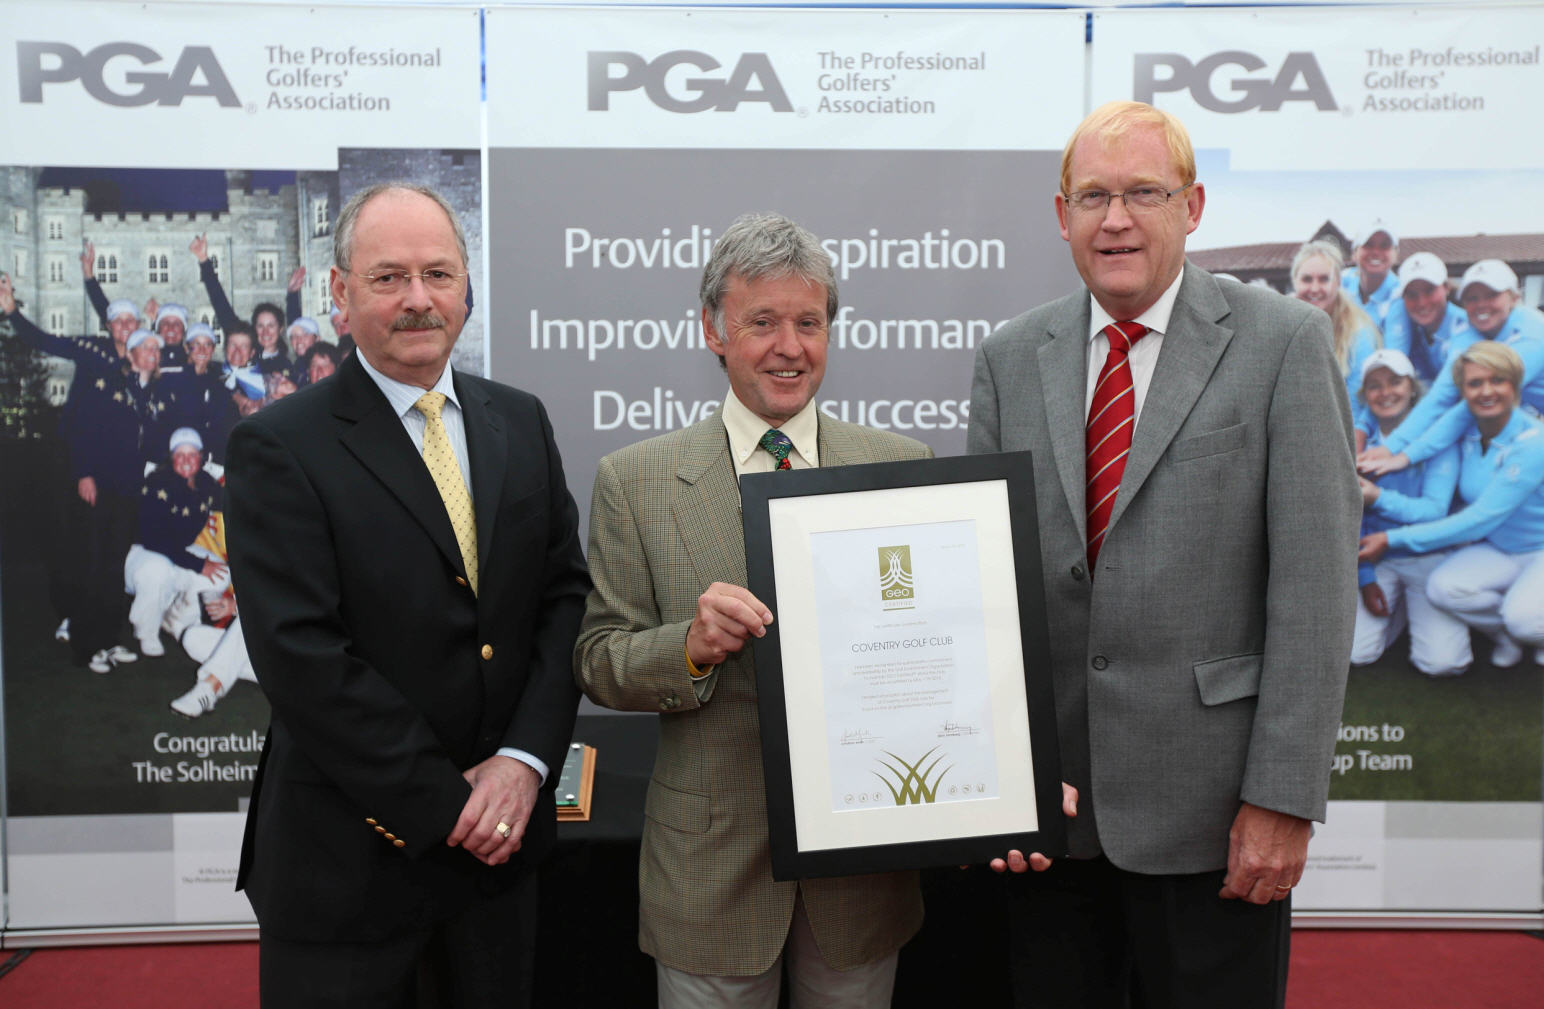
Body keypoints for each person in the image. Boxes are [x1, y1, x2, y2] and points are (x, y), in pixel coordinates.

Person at [965, 101, 1359, 1008]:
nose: (1116, 219)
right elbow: (986, 587)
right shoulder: (1010, 357)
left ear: (1193, 205)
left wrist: (1283, 798)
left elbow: (1315, 590)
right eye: (1093, 196)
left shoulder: (1284, 343)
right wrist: (1000, 775)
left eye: (1144, 192)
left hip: (1215, 820)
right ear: (1061, 214)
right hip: (1052, 818)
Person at [223, 181, 589, 1008]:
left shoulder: (520, 421)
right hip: (347, 877)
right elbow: (303, 658)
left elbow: (564, 598)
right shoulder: (278, 446)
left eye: (438, 273)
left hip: (500, 869)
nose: (418, 298)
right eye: (389, 277)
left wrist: (525, 764)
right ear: (340, 291)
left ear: (466, 287)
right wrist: (454, 805)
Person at [576, 212, 926, 1008]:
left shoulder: (901, 466)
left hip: (861, 872)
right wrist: (689, 647)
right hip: (709, 873)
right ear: (714, 330)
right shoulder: (635, 480)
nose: (788, 347)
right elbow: (598, 658)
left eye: (809, 322)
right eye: (762, 322)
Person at [1, 279, 173, 672]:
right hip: (98, 483)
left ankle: (108, 640)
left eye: (153, 348)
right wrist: (84, 474)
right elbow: (83, 429)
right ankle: (85, 644)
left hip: (127, 489)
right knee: (90, 561)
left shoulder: (147, 392)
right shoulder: (105, 379)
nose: (149, 352)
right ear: (116, 334)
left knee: (114, 565)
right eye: (144, 347)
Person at [1359, 342, 1544, 668]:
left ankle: (1526, 627)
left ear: (1515, 384)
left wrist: (1389, 534)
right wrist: (1400, 457)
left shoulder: (1534, 442)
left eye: (1498, 380)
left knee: (1522, 620)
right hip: (1499, 547)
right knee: (1444, 589)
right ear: (1463, 391)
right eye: (1475, 383)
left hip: (1537, 549)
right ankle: (1505, 635)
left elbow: (1477, 519)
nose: (1486, 391)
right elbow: (1433, 436)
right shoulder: (1466, 419)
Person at [1358, 259, 1544, 478]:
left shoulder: (1533, 335)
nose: (1481, 304)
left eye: (1492, 295)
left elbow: (1458, 405)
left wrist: (1398, 452)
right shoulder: (1471, 332)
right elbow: (1442, 395)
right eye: (1472, 298)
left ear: (1514, 297)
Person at [1350, 350, 1468, 676]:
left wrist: (1377, 497)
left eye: (1395, 382)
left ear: (1412, 388)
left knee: (1443, 664)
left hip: (1428, 555)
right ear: (1365, 395)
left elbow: (1434, 511)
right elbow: (1351, 520)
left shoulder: (1438, 437)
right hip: (1377, 559)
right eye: (1374, 385)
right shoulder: (1356, 443)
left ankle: (1412, 605)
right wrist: (1365, 577)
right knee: (1357, 654)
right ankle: (1400, 606)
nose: (1385, 392)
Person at [123, 427, 225, 657]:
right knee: (158, 570)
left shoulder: (206, 483)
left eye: (192, 454)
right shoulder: (157, 482)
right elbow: (154, 540)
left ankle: (177, 619)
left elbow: (232, 503)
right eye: (180, 455)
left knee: (221, 573)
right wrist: (199, 564)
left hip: (176, 553)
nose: (186, 461)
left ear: (201, 457)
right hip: (143, 554)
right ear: (171, 457)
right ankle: (146, 631)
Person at [1290, 239, 1382, 440]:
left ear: (1338, 282)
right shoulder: (1280, 322)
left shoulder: (1359, 332)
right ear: (1295, 282)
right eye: (1306, 279)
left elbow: (1357, 403)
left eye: (1324, 279)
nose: (1315, 288)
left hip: (1341, 435)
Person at [1379, 252, 1469, 386]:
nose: (1422, 302)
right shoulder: (1413, 329)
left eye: (1429, 291)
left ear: (1446, 288)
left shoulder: (1465, 326)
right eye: (1412, 294)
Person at [1340, 220, 1400, 328]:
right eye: (1368, 245)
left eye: (1384, 246)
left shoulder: (1400, 295)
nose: (1376, 252)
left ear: (1395, 254)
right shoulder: (1340, 280)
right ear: (1354, 253)